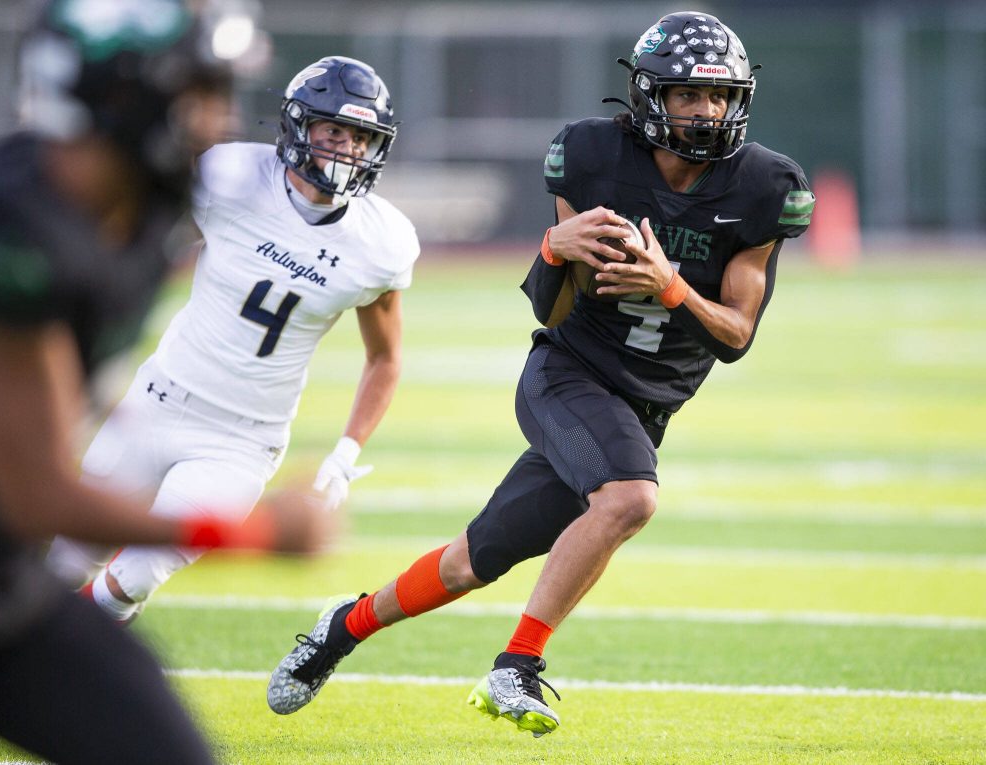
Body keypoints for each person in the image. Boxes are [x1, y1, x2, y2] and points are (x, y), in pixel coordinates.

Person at [265, 10, 815, 738]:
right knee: (630, 498)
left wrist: (670, 286)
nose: (707, 111)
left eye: (720, 96)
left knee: (470, 562)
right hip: (567, 374)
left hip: (643, 408)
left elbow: (737, 336)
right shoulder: (592, 156)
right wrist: (554, 249)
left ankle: (341, 627)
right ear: (650, 95)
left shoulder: (765, 186)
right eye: (688, 94)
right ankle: (516, 665)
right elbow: (552, 310)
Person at [0, 0, 302, 762]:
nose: (218, 121)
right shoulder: (10, 229)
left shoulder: (135, 214)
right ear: (123, 98)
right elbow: (38, 495)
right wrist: (257, 531)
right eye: (200, 94)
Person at [43, 55, 419, 624]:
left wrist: (345, 454)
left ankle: (66, 658)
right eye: (335, 132)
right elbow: (136, 238)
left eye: (362, 138)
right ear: (298, 127)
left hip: (241, 440)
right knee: (63, 560)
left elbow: (384, 358)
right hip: (156, 401)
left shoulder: (381, 243)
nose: (348, 150)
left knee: (131, 580)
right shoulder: (231, 177)